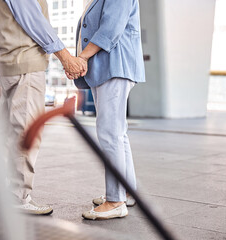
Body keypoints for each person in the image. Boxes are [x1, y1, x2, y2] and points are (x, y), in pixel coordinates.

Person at [0, 0, 87, 215]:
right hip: (25, 63)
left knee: (6, 133)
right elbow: (34, 20)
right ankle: (18, 196)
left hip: (9, 64)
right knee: (27, 132)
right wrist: (65, 57)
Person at [67, 0, 145, 220]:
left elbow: (111, 28)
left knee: (110, 133)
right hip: (108, 67)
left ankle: (115, 201)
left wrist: (82, 57)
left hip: (115, 66)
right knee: (118, 134)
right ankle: (126, 192)